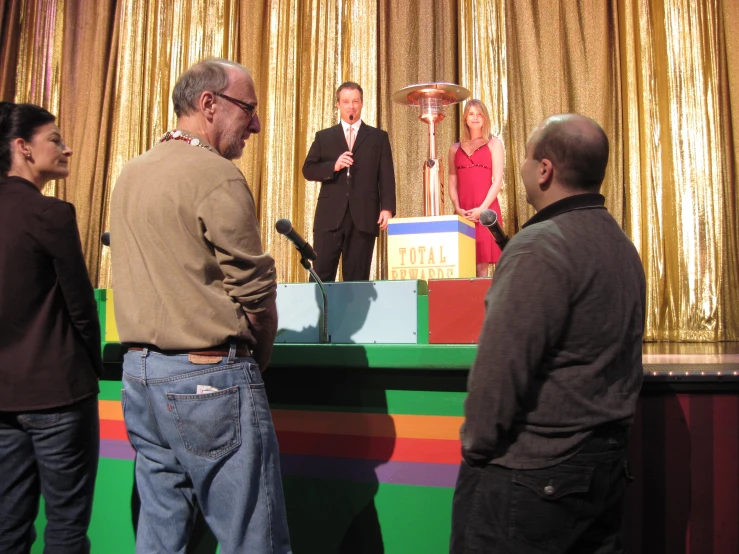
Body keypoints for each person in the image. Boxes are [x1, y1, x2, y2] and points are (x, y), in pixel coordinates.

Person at [110, 59, 291, 553]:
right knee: (254, 537)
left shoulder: (131, 172)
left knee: (160, 535)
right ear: (209, 103)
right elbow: (255, 294)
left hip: (140, 379)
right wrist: (262, 354)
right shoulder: (217, 176)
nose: (254, 123)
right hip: (208, 377)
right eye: (248, 109)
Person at [450, 114, 646, 553]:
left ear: (545, 170)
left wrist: (476, 450)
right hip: (604, 473)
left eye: (525, 157)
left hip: (532, 481)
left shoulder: (539, 245)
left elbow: (498, 376)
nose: (519, 167)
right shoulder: (622, 246)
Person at [0, 102, 102, 553]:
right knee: (65, 527)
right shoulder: (52, 215)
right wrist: (92, 368)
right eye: (56, 139)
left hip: (3, 397)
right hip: (60, 394)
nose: (68, 148)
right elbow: (82, 309)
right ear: (22, 148)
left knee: (8, 524)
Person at [302, 81, 396, 282]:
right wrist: (333, 166)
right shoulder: (324, 137)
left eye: (355, 101)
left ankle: (353, 315)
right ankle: (320, 314)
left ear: (362, 103)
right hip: (329, 218)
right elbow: (308, 170)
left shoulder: (378, 137)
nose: (351, 106)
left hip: (363, 216)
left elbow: (386, 175)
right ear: (338, 104)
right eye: (346, 101)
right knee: (321, 275)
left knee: (356, 279)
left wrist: (387, 208)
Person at [448, 99, 505, 277]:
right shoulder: (454, 149)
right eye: (471, 114)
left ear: (485, 118)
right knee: (464, 265)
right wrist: (457, 207)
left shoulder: (494, 144)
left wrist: (482, 210)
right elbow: (452, 180)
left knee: (482, 268)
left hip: (485, 210)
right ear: (465, 117)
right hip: (463, 212)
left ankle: (482, 305)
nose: (475, 118)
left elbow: (497, 180)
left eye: (479, 114)